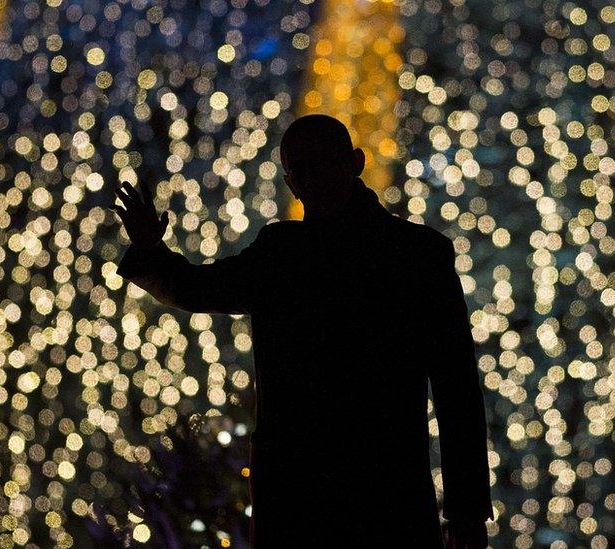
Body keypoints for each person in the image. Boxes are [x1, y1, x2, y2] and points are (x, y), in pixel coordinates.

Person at [112, 114, 493, 548]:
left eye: (319, 164)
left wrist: (150, 251)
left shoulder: (283, 256)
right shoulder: (418, 255)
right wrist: (466, 515)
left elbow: (196, 289)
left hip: (301, 505)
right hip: (386, 500)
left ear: (352, 163)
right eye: (303, 169)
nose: (311, 179)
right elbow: (457, 392)